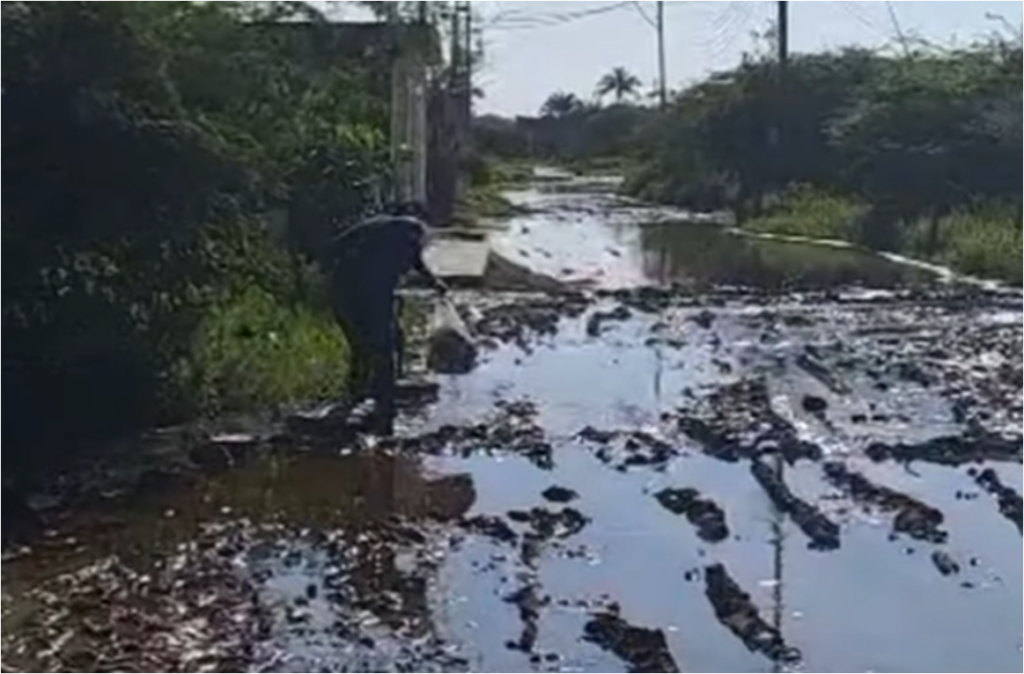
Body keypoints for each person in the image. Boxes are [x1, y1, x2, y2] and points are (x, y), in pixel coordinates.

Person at [330, 200, 448, 435]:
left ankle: (359, 393)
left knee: (361, 344)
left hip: (340, 291)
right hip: (371, 291)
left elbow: (332, 249)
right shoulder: (413, 229)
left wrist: (433, 281)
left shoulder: (374, 226)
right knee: (385, 347)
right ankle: (384, 407)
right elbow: (411, 256)